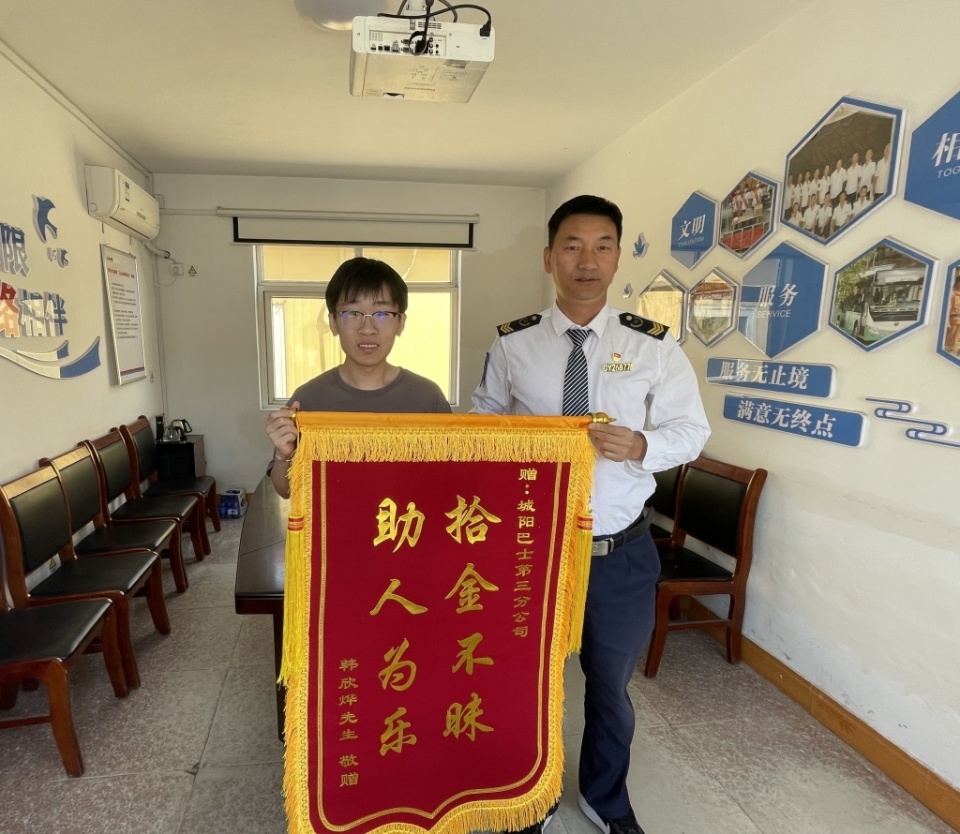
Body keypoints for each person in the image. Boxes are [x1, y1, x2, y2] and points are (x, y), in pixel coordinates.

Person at [472, 195, 710, 834]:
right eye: (573, 245)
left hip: (620, 552)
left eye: (603, 245)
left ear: (615, 257)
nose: (588, 260)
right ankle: (533, 797)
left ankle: (606, 799)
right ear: (549, 257)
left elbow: (693, 430)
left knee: (610, 689)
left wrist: (642, 446)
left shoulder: (653, 345)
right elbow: (484, 420)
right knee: (529, 685)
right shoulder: (513, 342)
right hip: (532, 550)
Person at [265, 257, 451, 497]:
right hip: (335, 533)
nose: (368, 328)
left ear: (400, 323)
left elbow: (449, 480)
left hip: (408, 530)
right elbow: (287, 490)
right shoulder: (308, 399)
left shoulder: (428, 397)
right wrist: (282, 455)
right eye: (353, 313)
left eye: (382, 313)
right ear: (333, 322)